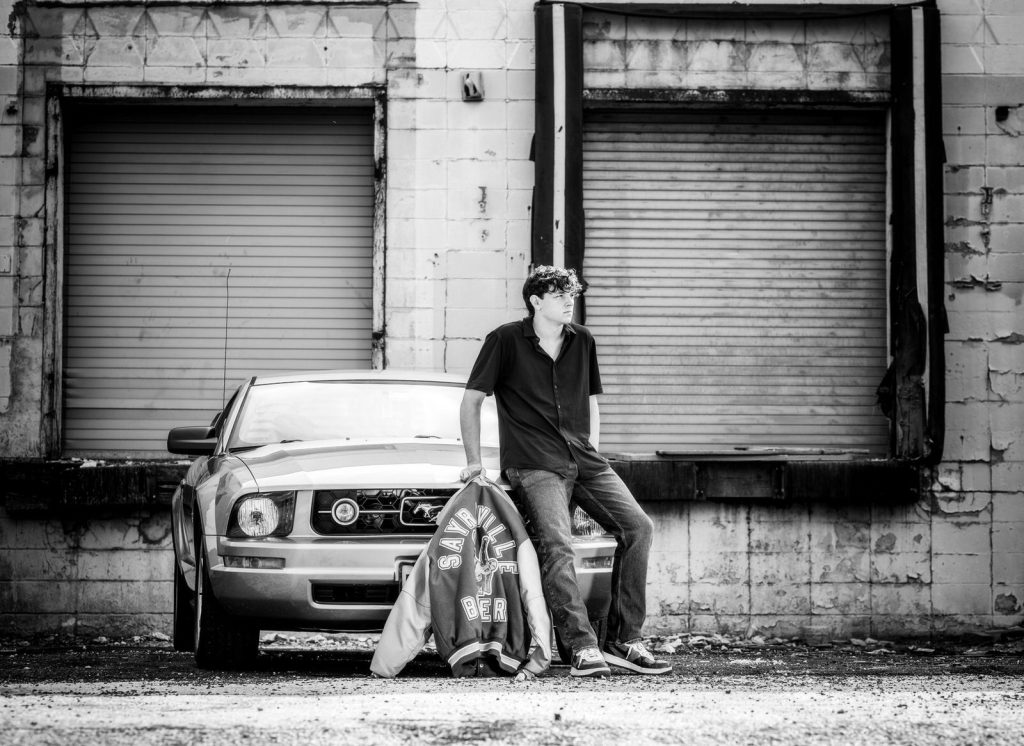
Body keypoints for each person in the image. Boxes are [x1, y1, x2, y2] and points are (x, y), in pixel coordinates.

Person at [459, 265, 671, 678]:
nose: (569, 301)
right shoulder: (504, 340)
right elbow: (471, 401)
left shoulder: (583, 340)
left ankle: (624, 640)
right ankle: (581, 646)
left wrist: (593, 445)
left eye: (570, 294)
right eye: (559, 295)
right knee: (558, 545)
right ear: (536, 302)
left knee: (639, 528)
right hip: (534, 463)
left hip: (584, 459)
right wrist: (473, 463)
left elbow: (591, 399)